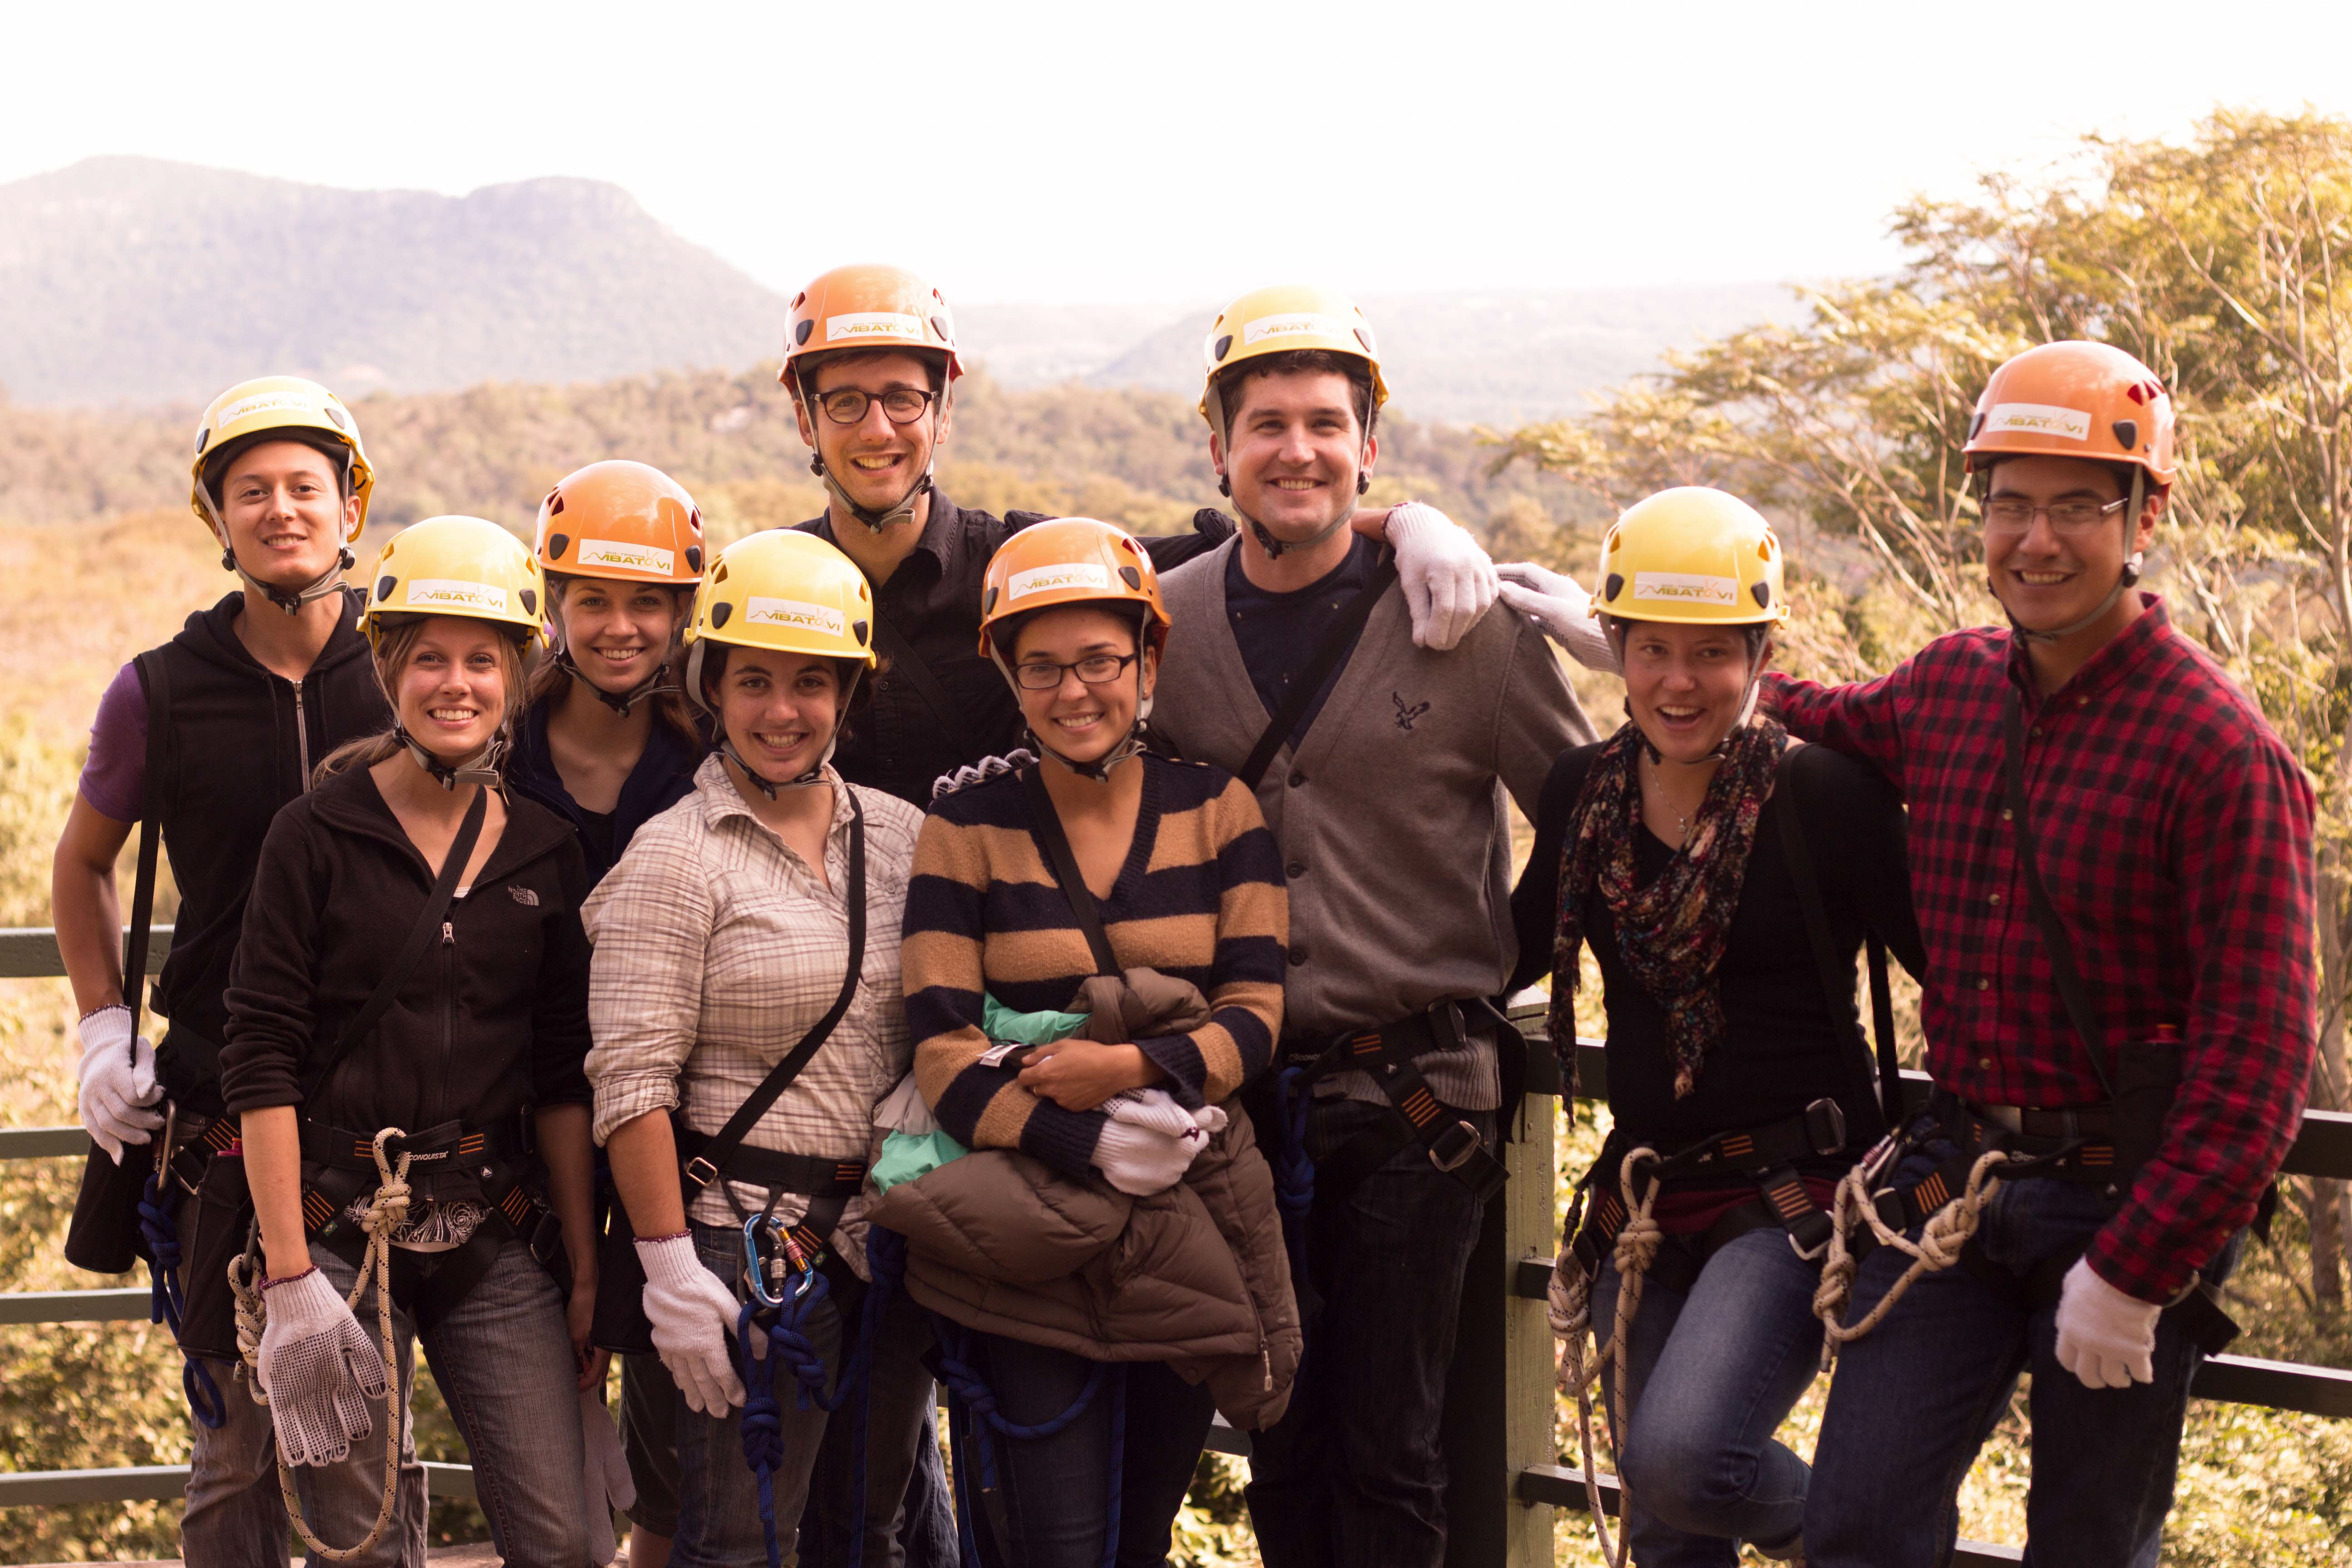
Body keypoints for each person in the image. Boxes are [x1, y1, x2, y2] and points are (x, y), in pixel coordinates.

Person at [1763, 342, 2314, 1565]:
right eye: (2012, 503)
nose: (2038, 539)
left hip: (2127, 1198)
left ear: (2144, 517)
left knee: (2087, 1545)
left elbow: (2259, 1060)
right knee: (1853, 1527)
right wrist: (1665, 654)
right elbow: (1823, 713)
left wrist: (2136, 1270)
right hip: (1959, 1185)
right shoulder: (1952, 687)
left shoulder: (2220, 755)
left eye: (2078, 506)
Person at [1143, 284, 1595, 1568]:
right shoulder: (1163, 626)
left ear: (1370, 448)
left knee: (1393, 1453)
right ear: (1218, 444)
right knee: (1277, 1429)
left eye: (1328, 425)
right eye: (1267, 423)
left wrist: (1487, 965)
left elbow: (1583, 818)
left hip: (1419, 1099)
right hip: (1241, 1096)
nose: (1298, 450)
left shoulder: (1468, 630)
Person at [1501, 486, 1926, 1567]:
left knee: (1684, 1460)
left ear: (1759, 654)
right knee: (1669, 1536)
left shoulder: (1821, 795)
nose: (1679, 682)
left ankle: (1886, 1535)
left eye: (1712, 654)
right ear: (1615, 648)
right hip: (1647, 1193)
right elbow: (1501, 956)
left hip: (1796, 1191)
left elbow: (1951, 966)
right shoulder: (1580, 793)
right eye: (1652, 650)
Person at [894, 517, 1294, 1568]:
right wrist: (1079, 1143)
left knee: (1139, 1538)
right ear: (1008, 678)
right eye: (1043, 669)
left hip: (1181, 1236)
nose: (1075, 692)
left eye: (1101, 663)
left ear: (1149, 660)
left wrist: (1130, 1070)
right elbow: (940, 1047)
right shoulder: (969, 825)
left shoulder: (1220, 812)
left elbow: (1257, 1009)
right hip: (1027, 1242)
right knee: (1052, 1543)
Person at [49, 374, 396, 1560]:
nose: (282, 510)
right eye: (252, 491)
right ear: (217, 518)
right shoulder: (159, 691)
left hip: (385, 1104)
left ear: (352, 504)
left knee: (366, 1457)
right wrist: (102, 1028)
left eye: (308, 486)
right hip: (219, 1110)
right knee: (235, 1449)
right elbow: (83, 862)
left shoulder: (413, 666)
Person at [220, 514, 602, 1568]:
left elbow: (563, 1075)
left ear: (519, 676)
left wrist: (581, 1265)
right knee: (362, 1547)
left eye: (484, 659)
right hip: (337, 1226)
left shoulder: (544, 851)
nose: (456, 684)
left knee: (567, 1540)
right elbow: (260, 1056)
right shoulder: (317, 835)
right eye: (427, 657)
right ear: (386, 668)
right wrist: (292, 1280)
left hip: (495, 1226)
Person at [778, 263, 1502, 809]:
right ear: (807, 419)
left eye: (904, 399)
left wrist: (1410, 524)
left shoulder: (1030, 563)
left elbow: (1242, 540)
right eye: (845, 402)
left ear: (943, 413)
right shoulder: (772, 594)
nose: (878, 429)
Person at [585, 528, 934, 1568]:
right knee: (738, 1542)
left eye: (811, 684)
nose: (783, 711)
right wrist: (668, 1272)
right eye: (754, 682)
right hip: (738, 1247)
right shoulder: (676, 856)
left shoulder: (905, 836)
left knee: (862, 1533)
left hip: (879, 1237)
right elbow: (630, 1083)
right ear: (713, 689)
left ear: (847, 695)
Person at [511, 459, 712, 1568]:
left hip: (675, 1120)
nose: (622, 628)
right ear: (554, 605)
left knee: (678, 1456)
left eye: (649, 603)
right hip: (512, 1121)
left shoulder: (712, 759)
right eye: (594, 599)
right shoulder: (500, 751)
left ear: (685, 611)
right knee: (549, 1446)